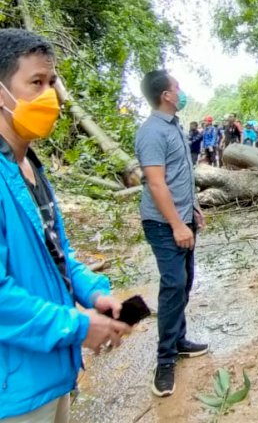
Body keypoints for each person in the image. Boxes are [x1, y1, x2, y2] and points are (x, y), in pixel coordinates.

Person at [0, 29, 130, 422]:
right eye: (35, 83)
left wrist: (92, 294)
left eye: (52, 82)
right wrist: (75, 326)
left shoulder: (31, 168)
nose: (50, 96)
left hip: (53, 375)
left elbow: (57, 254)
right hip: (14, 390)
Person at [135, 70, 208, 398]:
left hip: (183, 218)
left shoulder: (175, 126)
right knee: (173, 284)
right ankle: (164, 361)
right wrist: (177, 225)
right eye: (177, 88)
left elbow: (181, 174)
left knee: (186, 281)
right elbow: (156, 182)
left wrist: (192, 210)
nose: (181, 92)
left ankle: (179, 340)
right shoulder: (151, 132)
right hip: (164, 225)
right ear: (166, 95)